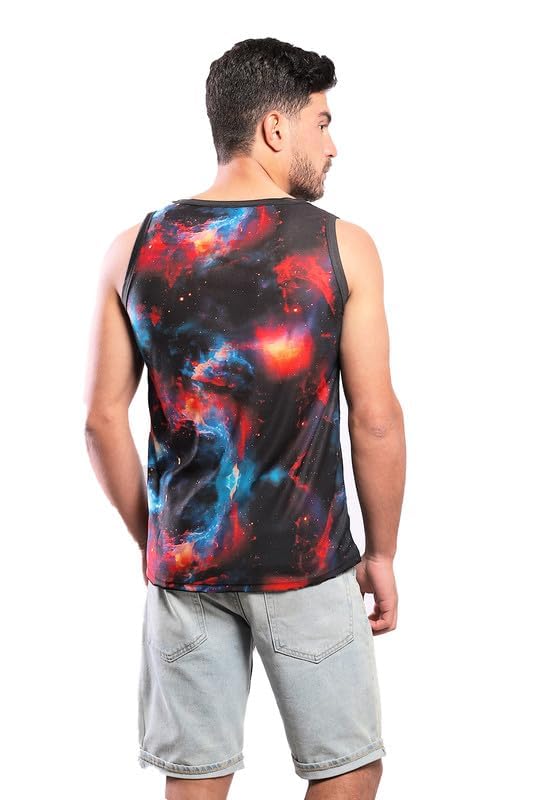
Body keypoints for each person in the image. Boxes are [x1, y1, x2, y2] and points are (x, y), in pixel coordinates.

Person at [84, 36, 405, 800]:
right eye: (322, 123)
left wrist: (156, 541)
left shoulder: (133, 248)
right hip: (306, 561)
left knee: (195, 780)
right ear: (274, 128)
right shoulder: (340, 247)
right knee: (348, 768)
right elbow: (375, 421)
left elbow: (101, 421)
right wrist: (382, 553)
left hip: (187, 567)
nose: (332, 145)